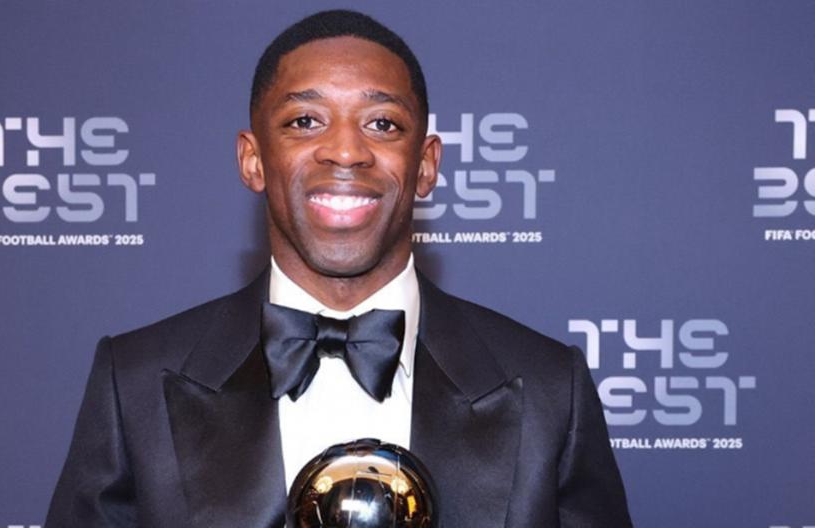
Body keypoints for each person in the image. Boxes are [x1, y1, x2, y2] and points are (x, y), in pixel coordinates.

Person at [46, 9, 632, 528]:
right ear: (253, 160)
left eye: (382, 123)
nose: (346, 151)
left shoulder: (549, 388)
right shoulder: (137, 382)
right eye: (305, 121)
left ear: (426, 165)